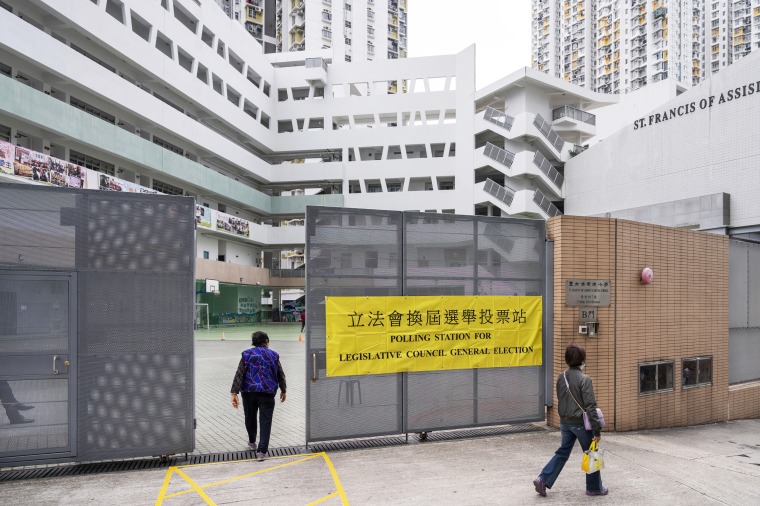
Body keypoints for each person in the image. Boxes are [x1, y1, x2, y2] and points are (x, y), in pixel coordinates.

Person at [533, 344, 607, 497]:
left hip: (564, 423)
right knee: (592, 452)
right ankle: (594, 488)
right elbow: (590, 406)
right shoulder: (584, 379)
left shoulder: (562, 377)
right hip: (581, 424)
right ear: (582, 360)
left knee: (562, 452)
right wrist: (597, 430)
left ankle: (543, 479)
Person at [230, 331, 286, 461]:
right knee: (266, 421)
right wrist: (283, 390)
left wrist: (234, 393)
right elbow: (280, 374)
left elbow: (239, 374)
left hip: (249, 393)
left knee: (250, 417)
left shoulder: (247, 355)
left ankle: (252, 441)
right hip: (267, 393)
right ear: (266, 341)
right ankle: (261, 452)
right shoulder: (273, 355)